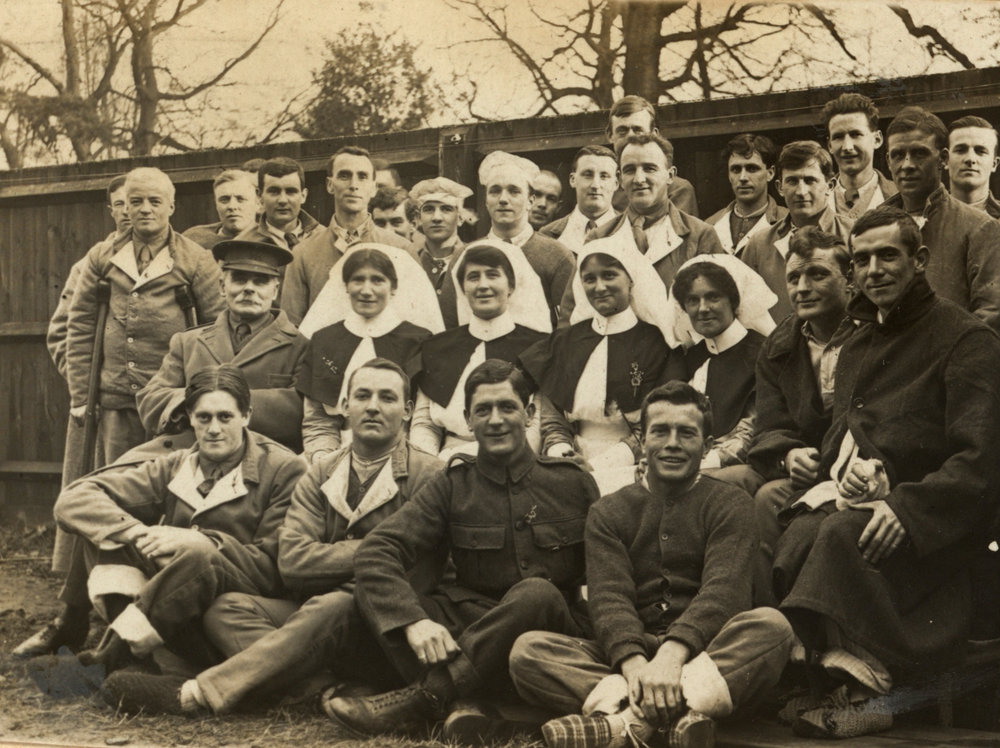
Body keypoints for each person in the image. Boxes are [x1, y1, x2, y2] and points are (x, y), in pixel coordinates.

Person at [100, 359, 444, 716]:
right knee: (227, 608)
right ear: (344, 406)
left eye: (387, 397)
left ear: (407, 411)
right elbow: (293, 562)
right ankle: (316, 687)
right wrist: (377, 551)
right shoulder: (321, 472)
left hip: (386, 625)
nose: (373, 406)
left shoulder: (430, 475)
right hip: (312, 621)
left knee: (337, 604)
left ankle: (198, 694)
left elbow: (418, 570)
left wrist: (342, 564)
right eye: (362, 396)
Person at [773, 207, 1000, 739]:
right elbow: (852, 434)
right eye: (862, 259)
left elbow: (981, 459)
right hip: (871, 500)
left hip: (943, 524)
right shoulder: (859, 340)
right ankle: (826, 674)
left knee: (838, 533)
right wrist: (850, 477)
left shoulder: (966, 339)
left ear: (919, 260)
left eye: (888, 255)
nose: (873, 270)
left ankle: (870, 686)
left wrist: (903, 505)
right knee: (795, 527)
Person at [322, 359, 600, 742]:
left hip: (547, 635)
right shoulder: (453, 485)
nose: (496, 420)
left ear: (530, 413)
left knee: (537, 592)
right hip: (471, 626)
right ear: (468, 420)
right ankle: (476, 705)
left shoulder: (573, 483)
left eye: (507, 407)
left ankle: (427, 697)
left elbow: (607, 574)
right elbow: (377, 550)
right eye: (483, 410)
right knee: (373, 599)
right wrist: (414, 622)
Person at [510, 382, 794, 748]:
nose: (672, 443)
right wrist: (635, 666)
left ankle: (626, 723)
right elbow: (610, 599)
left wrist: (672, 658)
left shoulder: (731, 503)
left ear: (707, 445)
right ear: (643, 440)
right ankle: (683, 714)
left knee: (773, 627)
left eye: (687, 433)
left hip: (707, 651)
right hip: (632, 654)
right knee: (528, 651)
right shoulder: (608, 511)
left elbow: (724, 594)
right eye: (660, 431)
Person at [53, 366, 306, 676]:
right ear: (190, 418)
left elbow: (274, 569)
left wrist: (203, 543)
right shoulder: (177, 464)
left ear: (246, 416)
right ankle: (140, 657)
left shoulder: (283, 470)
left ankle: (116, 652)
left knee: (198, 554)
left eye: (225, 417)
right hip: (174, 603)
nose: (214, 429)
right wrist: (137, 533)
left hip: (238, 602)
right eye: (204, 418)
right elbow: (74, 498)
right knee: (105, 534)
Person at [12, 175, 133, 659]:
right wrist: (87, 388)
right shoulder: (93, 263)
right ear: (112, 210)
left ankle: (133, 623)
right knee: (91, 505)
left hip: (155, 410)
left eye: (140, 203)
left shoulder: (180, 260)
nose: (131, 212)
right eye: (122, 204)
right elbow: (62, 332)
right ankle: (73, 615)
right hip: (101, 411)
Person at [520, 233, 681, 495]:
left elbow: (657, 423)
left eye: (609, 275)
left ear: (630, 279)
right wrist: (562, 454)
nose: (599, 287)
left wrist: (601, 465)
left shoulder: (656, 344)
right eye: (589, 279)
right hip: (568, 460)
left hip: (633, 463)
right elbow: (553, 416)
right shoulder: (565, 341)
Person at [744, 228, 854, 572]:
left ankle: (781, 596)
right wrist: (789, 455)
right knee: (730, 485)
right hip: (804, 468)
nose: (802, 288)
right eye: (793, 278)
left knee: (769, 498)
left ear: (850, 280)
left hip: (857, 469)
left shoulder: (873, 334)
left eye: (818, 274)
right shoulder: (779, 345)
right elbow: (769, 423)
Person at [136, 240, 307, 452]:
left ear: (275, 291)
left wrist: (223, 402)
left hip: (263, 454)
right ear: (222, 287)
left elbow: (302, 412)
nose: (249, 289)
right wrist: (197, 400)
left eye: (260, 282)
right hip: (189, 451)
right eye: (239, 279)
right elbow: (150, 399)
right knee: (117, 472)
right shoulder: (188, 342)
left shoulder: (299, 345)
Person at [295, 244, 443, 463]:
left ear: (393, 287)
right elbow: (318, 421)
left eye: (377, 280)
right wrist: (324, 461)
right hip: (334, 452)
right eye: (358, 280)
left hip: (402, 452)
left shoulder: (418, 340)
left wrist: (412, 463)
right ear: (346, 286)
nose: (366, 290)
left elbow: (422, 418)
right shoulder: (324, 340)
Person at [409, 240, 550, 460]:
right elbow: (425, 423)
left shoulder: (538, 346)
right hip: (447, 461)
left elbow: (536, 422)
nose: (483, 285)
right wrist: (428, 466)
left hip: (516, 459)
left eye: (493, 275)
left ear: (511, 286)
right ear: (463, 288)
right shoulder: (437, 347)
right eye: (473, 277)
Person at [566, 133, 724, 322]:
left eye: (649, 169)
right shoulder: (598, 238)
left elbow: (719, 307)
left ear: (670, 175)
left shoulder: (700, 235)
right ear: (620, 179)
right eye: (630, 170)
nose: (639, 179)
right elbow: (572, 312)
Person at [881, 106, 1000, 331]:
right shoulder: (873, 226)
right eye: (898, 155)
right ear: (888, 161)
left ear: (943, 158)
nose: (907, 165)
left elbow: (990, 314)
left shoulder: (981, 227)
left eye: (919, 153)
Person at [281, 146, 410, 325]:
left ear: (373, 188)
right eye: (344, 176)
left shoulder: (401, 249)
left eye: (362, 177)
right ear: (330, 185)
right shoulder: (303, 253)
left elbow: (412, 319)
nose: (353, 185)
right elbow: (291, 325)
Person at [669, 257, 775, 470]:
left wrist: (695, 465)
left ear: (733, 301)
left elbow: (750, 434)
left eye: (713, 297)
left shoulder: (762, 353)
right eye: (692, 300)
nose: (703, 308)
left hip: (735, 467)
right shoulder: (691, 357)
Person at [741, 141, 850, 322]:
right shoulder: (759, 244)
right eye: (792, 181)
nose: (801, 191)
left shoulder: (853, 235)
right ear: (779, 187)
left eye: (810, 180)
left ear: (830, 186)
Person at [479, 150, 576, 325]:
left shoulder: (558, 256)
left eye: (514, 191)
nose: (503, 199)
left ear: (529, 200)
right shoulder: (467, 255)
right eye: (495, 191)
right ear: (486, 201)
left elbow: (568, 325)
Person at [606, 95, 699, 216]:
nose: (630, 136)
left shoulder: (677, 189)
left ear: (654, 134)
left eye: (638, 130)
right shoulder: (601, 188)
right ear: (610, 136)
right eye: (622, 131)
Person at [407, 176, 474, 329]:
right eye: (429, 209)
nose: (436, 217)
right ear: (418, 218)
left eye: (446, 209)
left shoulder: (472, 259)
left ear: (460, 218)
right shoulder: (411, 262)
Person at [820, 93, 896, 223]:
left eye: (856, 134)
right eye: (838, 137)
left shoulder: (899, 196)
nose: (847, 147)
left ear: (877, 139)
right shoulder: (816, 199)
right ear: (830, 145)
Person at [706, 134, 787, 256]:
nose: (743, 177)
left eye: (752, 169)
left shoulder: (786, 222)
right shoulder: (710, 225)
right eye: (736, 170)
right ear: (729, 175)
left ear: (770, 173)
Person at [539, 145, 620, 254]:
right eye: (588, 175)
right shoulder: (546, 235)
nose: (595, 185)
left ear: (616, 183)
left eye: (604, 176)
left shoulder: (633, 231)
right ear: (573, 180)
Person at [235, 157, 321, 250]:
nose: (282, 200)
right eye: (274, 192)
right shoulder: (243, 245)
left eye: (290, 191)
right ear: (259, 196)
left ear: (303, 196)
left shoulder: (324, 237)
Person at [183, 170, 260, 250]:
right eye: (224, 200)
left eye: (240, 199)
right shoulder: (192, 239)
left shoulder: (267, 241)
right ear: (216, 204)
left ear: (258, 203)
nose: (232, 206)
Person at [947, 115, 1000, 217]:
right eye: (960, 150)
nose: (970, 159)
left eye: (981, 151)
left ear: (994, 164)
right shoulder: (924, 218)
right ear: (945, 160)